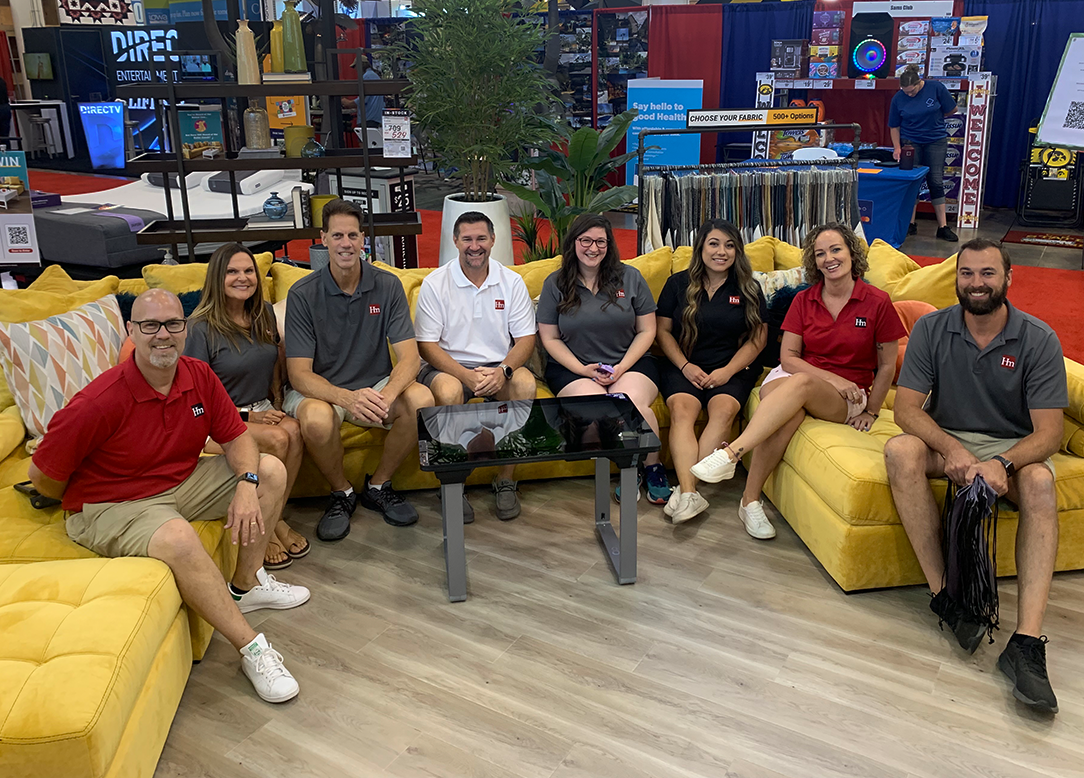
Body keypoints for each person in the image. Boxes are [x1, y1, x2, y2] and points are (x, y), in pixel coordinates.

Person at [28, 289, 309, 704]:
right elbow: (42, 477)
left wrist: (247, 483)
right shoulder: (99, 401)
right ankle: (254, 649)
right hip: (112, 503)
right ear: (132, 331)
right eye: (150, 325)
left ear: (185, 328)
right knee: (179, 537)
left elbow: (237, 438)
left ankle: (245, 587)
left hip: (177, 483)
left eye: (173, 324)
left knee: (270, 470)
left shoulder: (197, 374)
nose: (163, 335)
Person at [884, 238, 1067, 714]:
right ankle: (945, 596)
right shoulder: (931, 328)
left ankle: (1025, 643)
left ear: (1008, 278)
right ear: (956, 279)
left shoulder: (1038, 337)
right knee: (900, 451)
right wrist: (951, 449)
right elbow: (906, 410)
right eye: (967, 274)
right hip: (949, 439)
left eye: (988, 274)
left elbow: (1049, 432)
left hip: (1012, 446)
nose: (976, 283)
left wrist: (1003, 464)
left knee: (1041, 483)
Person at [690, 223, 906, 538]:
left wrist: (871, 411)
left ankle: (731, 453)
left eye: (835, 250)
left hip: (845, 394)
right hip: (793, 377)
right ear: (813, 262)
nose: (829, 258)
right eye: (820, 254)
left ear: (851, 253)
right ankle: (749, 502)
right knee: (792, 407)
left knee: (800, 387)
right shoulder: (805, 299)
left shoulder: (876, 301)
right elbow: (789, 358)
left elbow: (887, 364)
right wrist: (829, 376)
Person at [285, 198, 433, 541]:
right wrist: (347, 399)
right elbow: (299, 375)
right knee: (317, 421)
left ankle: (378, 485)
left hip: (375, 386)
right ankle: (342, 493)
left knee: (422, 398)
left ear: (363, 238)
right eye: (337, 236)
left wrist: (387, 394)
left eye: (353, 235)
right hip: (322, 389)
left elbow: (410, 359)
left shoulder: (387, 285)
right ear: (323, 239)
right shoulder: (303, 294)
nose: (346, 244)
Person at [185, 243, 309, 570]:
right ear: (217, 278)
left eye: (248, 271)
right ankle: (264, 533)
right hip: (218, 419)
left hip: (262, 405)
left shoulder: (263, 313)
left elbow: (274, 363)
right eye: (232, 272)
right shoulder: (200, 328)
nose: (243, 278)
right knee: (279, 438)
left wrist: (279, 402)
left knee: (294, 430)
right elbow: (195, 397)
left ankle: (274, 517)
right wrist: (248, 415)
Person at [536, 213, 670, 503]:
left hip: (630, 362)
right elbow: (550, 338)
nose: (593, 248)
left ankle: (653, 467)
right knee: (599, 407)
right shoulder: (555, 283)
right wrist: (583, 370)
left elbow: (648, 329)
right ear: (573, 243)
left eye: (601, 242)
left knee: (631, 404)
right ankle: (629, 468)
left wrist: (621, 367)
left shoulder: (630, 277)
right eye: (586, 240)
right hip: (572, 367)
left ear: (610, 245)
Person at [414, 211, 538, 521]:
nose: (474, 246)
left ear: (493, 240)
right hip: (449, 367)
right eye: (467, 239)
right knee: (448, 389)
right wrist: (466, 376)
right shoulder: (435, 283)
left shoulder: (511, 281)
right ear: (455, 241)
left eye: (481, 238)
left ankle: (506, 480)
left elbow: (525, 339)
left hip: (499, 366)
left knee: (525, 384)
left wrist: (503, 372)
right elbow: (427, 346)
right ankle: (453, 485)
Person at [655, 220, 768, 523]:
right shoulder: (677, 284)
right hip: (684, 364)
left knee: (723, 412)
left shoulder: (748, 287)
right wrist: (685, 366)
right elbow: (662, 331)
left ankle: (685, 490)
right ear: (701, 248)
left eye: (730, 245)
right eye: (714, 244)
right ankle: (691, 494)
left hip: (732, 368)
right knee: (682, 410)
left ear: (738, 251)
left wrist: (727, 371)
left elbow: (759, 339)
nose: (722, 251)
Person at [890, 63, 959, 242]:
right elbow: (894, 126)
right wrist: (897, 148)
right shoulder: (898, 98)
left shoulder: (936, 88)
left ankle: (943, 226)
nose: (909, 95)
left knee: (935, 180)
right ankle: (910, 224)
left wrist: (934, 119)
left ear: (920, 83)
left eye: (912, 92)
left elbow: (952, 109)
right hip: (911, 141)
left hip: (935, 140)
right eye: (905, 92)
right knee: (912, 181)